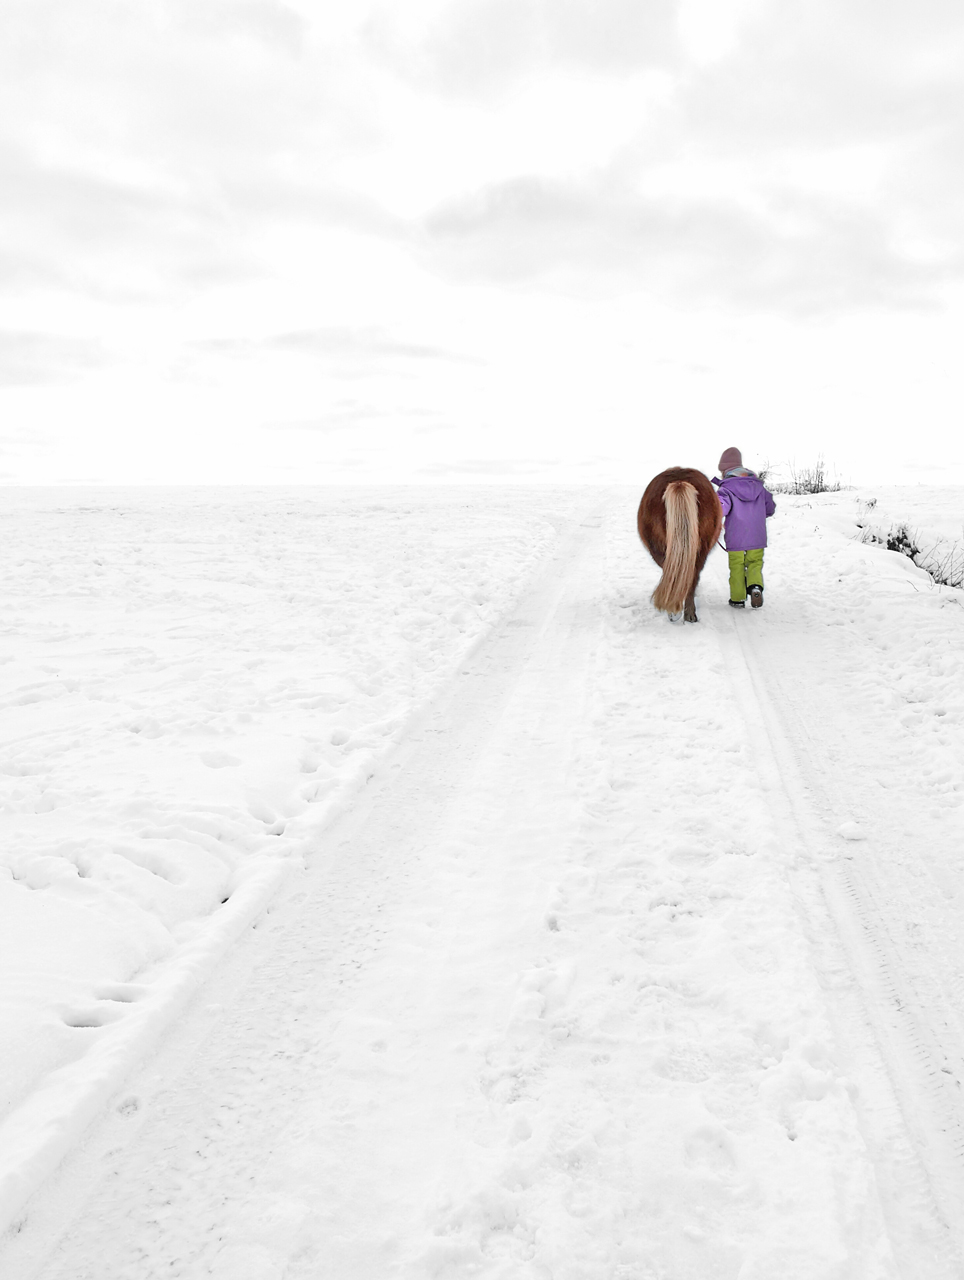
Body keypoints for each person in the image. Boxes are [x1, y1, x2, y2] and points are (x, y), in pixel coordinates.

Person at [711, 447, 776, 608]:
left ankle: (738, 599)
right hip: (757, 535)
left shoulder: (726, 488)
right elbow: (770, 507)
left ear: (725, 470)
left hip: (736, 536)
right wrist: (759, 515)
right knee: (755, 562)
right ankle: (755, 587)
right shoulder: (759, 487)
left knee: (737, 566)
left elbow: (721, 508)